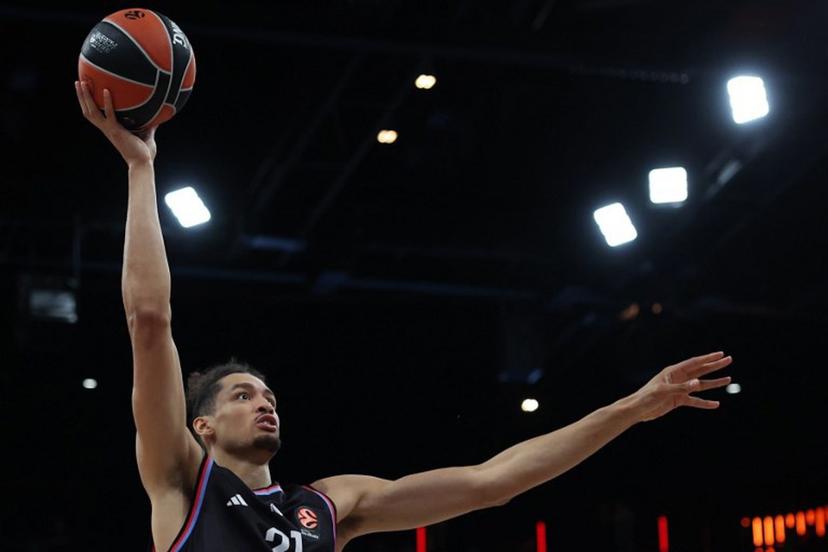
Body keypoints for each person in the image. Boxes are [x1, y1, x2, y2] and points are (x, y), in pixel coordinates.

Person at [75, 80, 734, 552]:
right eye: (244, 395)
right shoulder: (181, 482)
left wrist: (629, 408)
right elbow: (150, 318)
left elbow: (490, 483)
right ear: (203, 425)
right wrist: (142, 167)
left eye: (270, 393)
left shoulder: (329, 505)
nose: (266, 402)